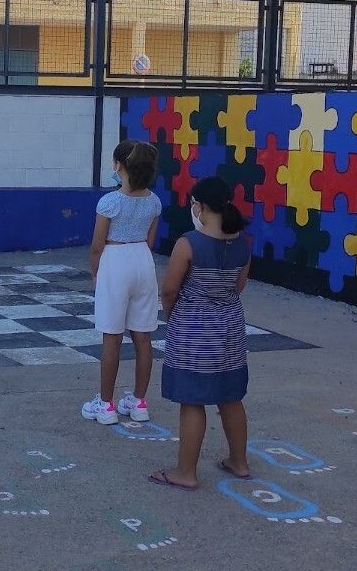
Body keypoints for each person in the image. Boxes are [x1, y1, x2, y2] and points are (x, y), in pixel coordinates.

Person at [149, 176, 253, 491]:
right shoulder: (242, 243)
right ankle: (239, 461)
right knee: (230, 396)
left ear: (201, 206)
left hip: (194, 332)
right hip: (231, 329)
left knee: (192, 400)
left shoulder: (188, 243)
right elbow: (238, 287)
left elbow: (169, 289)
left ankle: (185, 471)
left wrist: (173, 316)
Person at [83, 140, 161, 426]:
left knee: (112, 335)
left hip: (115, 259)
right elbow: (151, 240)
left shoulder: (110, 202)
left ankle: (105, 404)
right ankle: (139, 401)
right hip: (142, 259)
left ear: (120, 166)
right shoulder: (154, 201)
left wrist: (95, 273)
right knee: (143, 334)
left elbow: (96, 244)